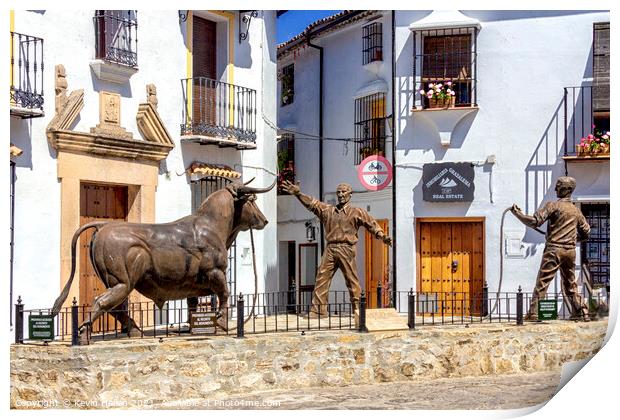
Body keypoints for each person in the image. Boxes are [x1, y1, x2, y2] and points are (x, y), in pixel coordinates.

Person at [280, 180, 393, 317]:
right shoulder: (328, 211)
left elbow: (371, 224)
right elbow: (312, 203)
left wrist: (382, 236)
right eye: (338, 192)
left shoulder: (357, 212)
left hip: (347, 248)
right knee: (321, 277)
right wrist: (298, 194)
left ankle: (358, 310)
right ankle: (318, 310)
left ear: (350, 194)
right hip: (331, 248)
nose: (340, 194)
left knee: (352, 280)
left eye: (343, 191)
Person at [510, 176, 590, 321]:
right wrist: (572, 240)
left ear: (567, 189)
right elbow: (586, 232)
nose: (555, 188)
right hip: (570, 251)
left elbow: (535, 222)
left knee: (543, 281)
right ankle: (580, 312)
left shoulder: (552, 206)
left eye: (558, 186)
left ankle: (533, 312)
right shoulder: (576, 211)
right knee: (570, 283)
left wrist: (518, 214)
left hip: (554, 250)